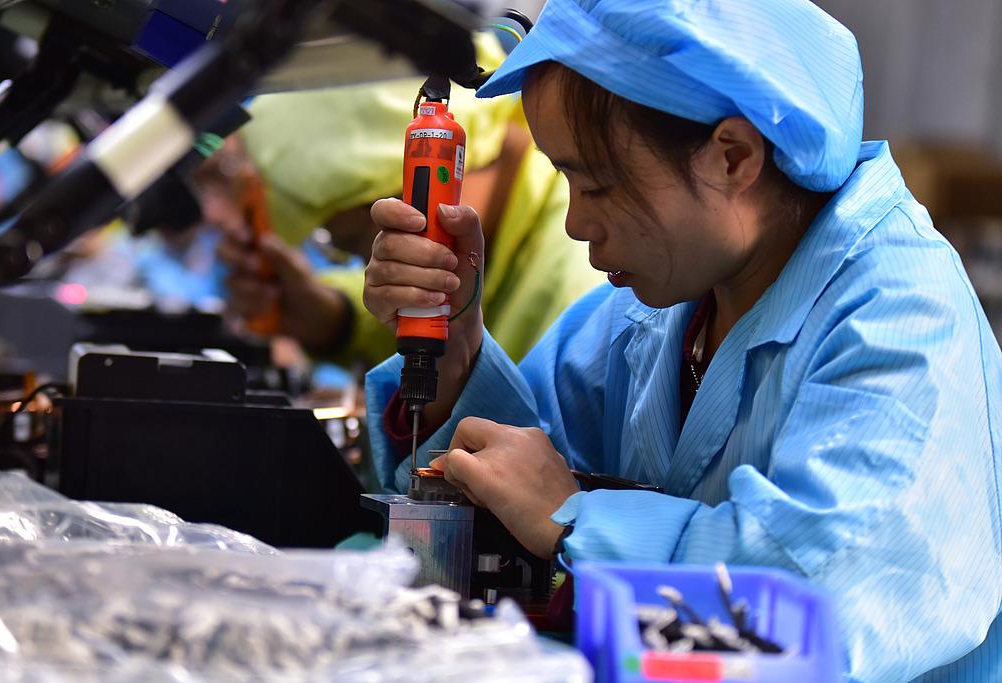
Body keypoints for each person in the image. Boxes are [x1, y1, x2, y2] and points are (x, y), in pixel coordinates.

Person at [360, 1, 1002, 681]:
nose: (576, 223)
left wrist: (576, 521)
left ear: (733, 157)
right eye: (567, 181)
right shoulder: (658, 309)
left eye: (597, 184)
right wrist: (456, 345)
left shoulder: (901, 320)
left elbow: (812, 611)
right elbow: (519, 462)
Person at [210, 32, 602, 366]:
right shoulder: (509, 238)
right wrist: (335, 320)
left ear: (427, 173)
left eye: (355, 241)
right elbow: (442, 329)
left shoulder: (580, 297)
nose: (371, 260)